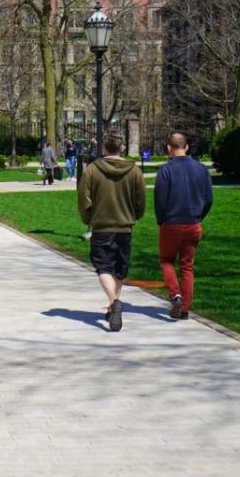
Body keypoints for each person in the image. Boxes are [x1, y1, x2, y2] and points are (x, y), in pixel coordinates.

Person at [77, 134, 146, 332]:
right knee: (119, 268)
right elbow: (140, 199)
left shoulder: (92, 169)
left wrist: (87, 218)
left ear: (104, 148)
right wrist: (135, 215)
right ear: (121, 148)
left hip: (102, 226)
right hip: (124, 227)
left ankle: (114, 302)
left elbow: (83, 198)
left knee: (103, 266)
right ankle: (113, 304)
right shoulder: (134, 171)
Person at [155, 132, 213, 320]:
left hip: (171, 223)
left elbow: (160, 200)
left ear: (169, 148)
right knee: (187, 267)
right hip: (193, 223)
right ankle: (185, 309)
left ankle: (175, 294)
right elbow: (208, 199)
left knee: (167, 261)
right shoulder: (202, 170)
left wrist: (161, 220)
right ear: (186, 147)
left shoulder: (165, 170)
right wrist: (199, 216)